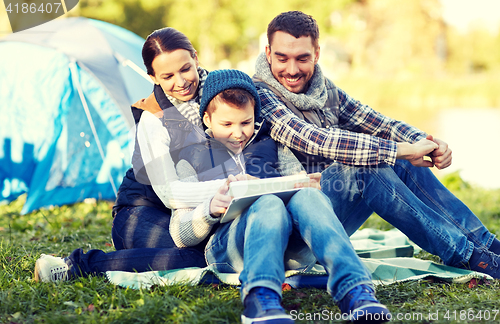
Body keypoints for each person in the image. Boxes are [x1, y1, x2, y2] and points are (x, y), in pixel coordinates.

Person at [252, 10, 500, 279]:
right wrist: (399, 150)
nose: (292, 69)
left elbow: (376, 122)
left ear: (317, 54)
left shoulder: (322, 88)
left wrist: (424, 142)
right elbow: (316, 140)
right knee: (365, 166)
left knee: (395, 156)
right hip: (290, 234)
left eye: (302, 58)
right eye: (282, 58)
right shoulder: (258, 95)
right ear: (268, 53)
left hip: (326, 216)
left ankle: (487, 245)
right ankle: (470, 257)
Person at [169, 68, 391, 324]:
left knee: (308, 197)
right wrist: (209, 209)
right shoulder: (190, 158)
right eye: (226, 124)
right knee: (268, 202)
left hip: (287, 245)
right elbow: (179, 234)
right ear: (207, 119)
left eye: (246, 122)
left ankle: (356, 293)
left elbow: (297, 186)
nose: (238, 133)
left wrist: (308, 184)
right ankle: (260, 300)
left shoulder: (272, 144)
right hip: (229, 249)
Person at [34, 27, 224, 282]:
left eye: (185, 69)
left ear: (196, 59)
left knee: (223, 250)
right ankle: (76, 265)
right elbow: (170, 194)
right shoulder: (152, 118)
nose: (180, 82)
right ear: (153, 77)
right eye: (168, 76)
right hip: (143, 212)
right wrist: (227, 189)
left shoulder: (222, 96)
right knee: (200, 257)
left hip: (197, 211)